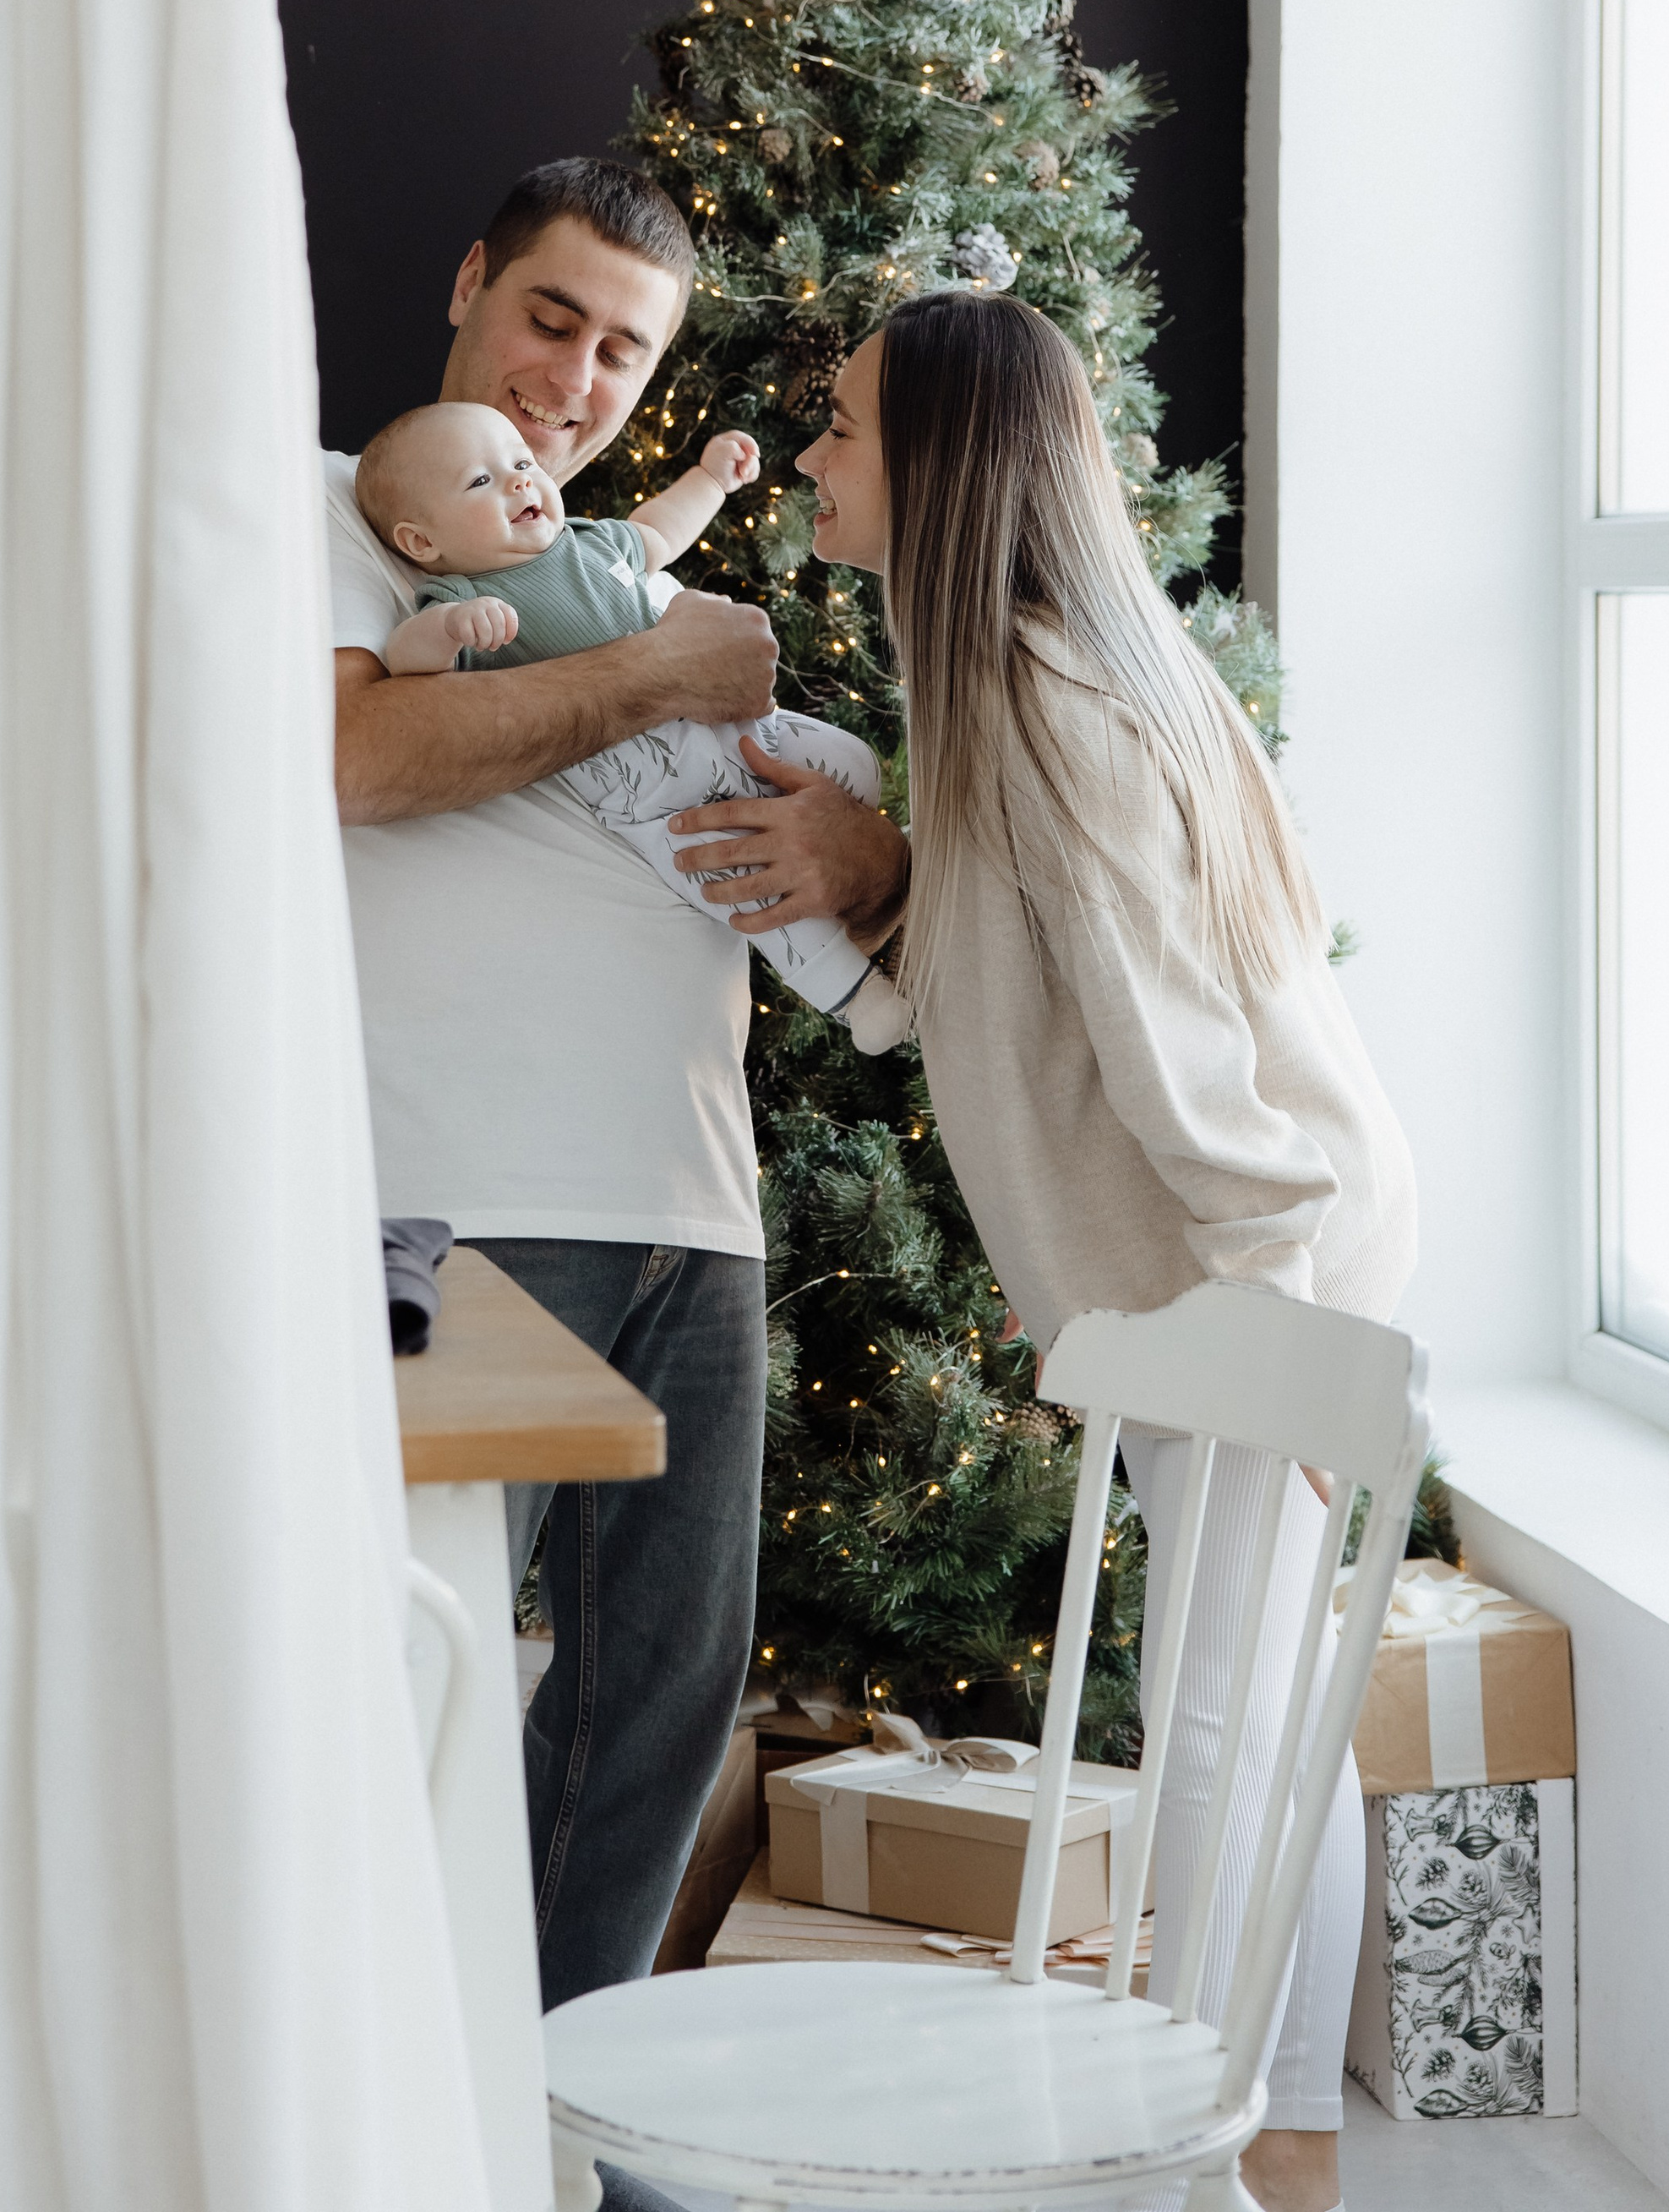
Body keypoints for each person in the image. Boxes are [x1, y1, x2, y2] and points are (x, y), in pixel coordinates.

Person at [666, 293, 1416, 2212]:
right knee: (1250, 1705)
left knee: (1219, 1715)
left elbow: (1188, 1073)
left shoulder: (1055, 715)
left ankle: (1189, 2143)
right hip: (1221, 1264)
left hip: (1258, 1258)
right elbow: (1011, 1004)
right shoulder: (1009, 685)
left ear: (932, 463)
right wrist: (880, 873)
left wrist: (1291, 1337)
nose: (816, 453)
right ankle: (1271, 2144)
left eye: (839, 429)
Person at [325, 160, 907, 2051]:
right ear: (470, 282)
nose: (573, 380)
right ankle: (371, 2113)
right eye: (548, 319)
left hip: (689, 1204)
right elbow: (354, 752)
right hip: (453, 1197)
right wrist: (657, 659)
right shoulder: (357, 507)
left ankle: (545, 2112)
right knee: (394, 1678)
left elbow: (759, 811)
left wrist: (861, 851)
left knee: (657, 1703)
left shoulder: (618, 564)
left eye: (619, 352)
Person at [351, 397, 907, 1046]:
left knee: (855, 766)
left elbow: (659, 531)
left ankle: (859, 837)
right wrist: (445, 633)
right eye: (482, 480)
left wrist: (712, 479)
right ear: (423, 542)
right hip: (655, 797)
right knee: (749, 888)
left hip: (733, 729)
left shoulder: (588, 539)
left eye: (523, 463)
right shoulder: (463, 598)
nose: (521, 481)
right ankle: (859, 998)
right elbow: (403, 664)